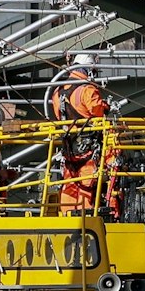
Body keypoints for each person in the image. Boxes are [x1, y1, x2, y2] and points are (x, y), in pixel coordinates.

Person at [50, 55, 114, 217]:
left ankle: (66, 218)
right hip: (87, 150)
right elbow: (97, 111)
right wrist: (106, 106)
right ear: (89, 70)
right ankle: (85, 219)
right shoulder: (87, 90)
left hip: (68, 151)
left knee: (69, 186)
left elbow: (58, 115)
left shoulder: (58, 92)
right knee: (86, 187)